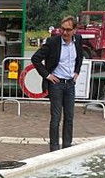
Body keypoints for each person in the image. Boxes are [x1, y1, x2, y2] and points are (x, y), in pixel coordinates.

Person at [31, 15, 83, 152]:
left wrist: (77, 71)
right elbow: (35, 58)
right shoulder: (53, 42)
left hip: (70, 84)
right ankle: (54, 149)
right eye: (63, 29)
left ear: (74, 30)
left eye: (68, 30)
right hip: (57, 85)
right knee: (56, 118)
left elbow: (80, 57)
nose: (65, 32)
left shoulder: (78, 41)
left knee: (70, 117)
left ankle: (67, 147)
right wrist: (48, 75)